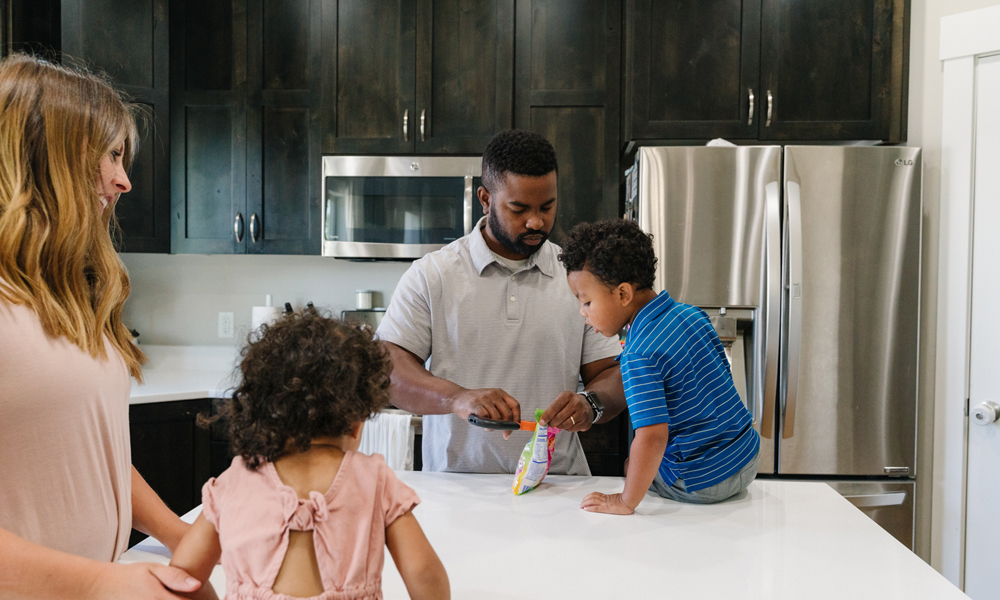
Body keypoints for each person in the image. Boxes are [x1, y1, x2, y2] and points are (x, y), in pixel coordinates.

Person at [0, 54, 199, 597]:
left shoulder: (68, 296)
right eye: (112, 154)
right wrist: (98, 583)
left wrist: (176, 532)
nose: (124, 180)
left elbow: (90, 452)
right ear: (51, 155)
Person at [376, 129, 625, 475]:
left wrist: (591, 404)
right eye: (519, 208)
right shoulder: (433, 275)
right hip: (456, 492)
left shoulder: (579, 277)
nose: (536, 221)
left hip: (558, 488)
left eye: (547, 206)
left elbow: (612, 371)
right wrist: (456, 398)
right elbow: (388, 370)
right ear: (485, 198)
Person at [169, 308, 449, 600]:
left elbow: (183, 576)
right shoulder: (375, 479)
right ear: (355, 422)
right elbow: (424, 573)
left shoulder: (236, 479)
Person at [558, 219, 761, 513]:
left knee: (632, 464)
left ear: (623, 294)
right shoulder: (692, 315)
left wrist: (626, 500)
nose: (582, 313)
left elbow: (652, 436)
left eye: (587, 302)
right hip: (747, 458)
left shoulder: (638, 354)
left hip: (704, 483)